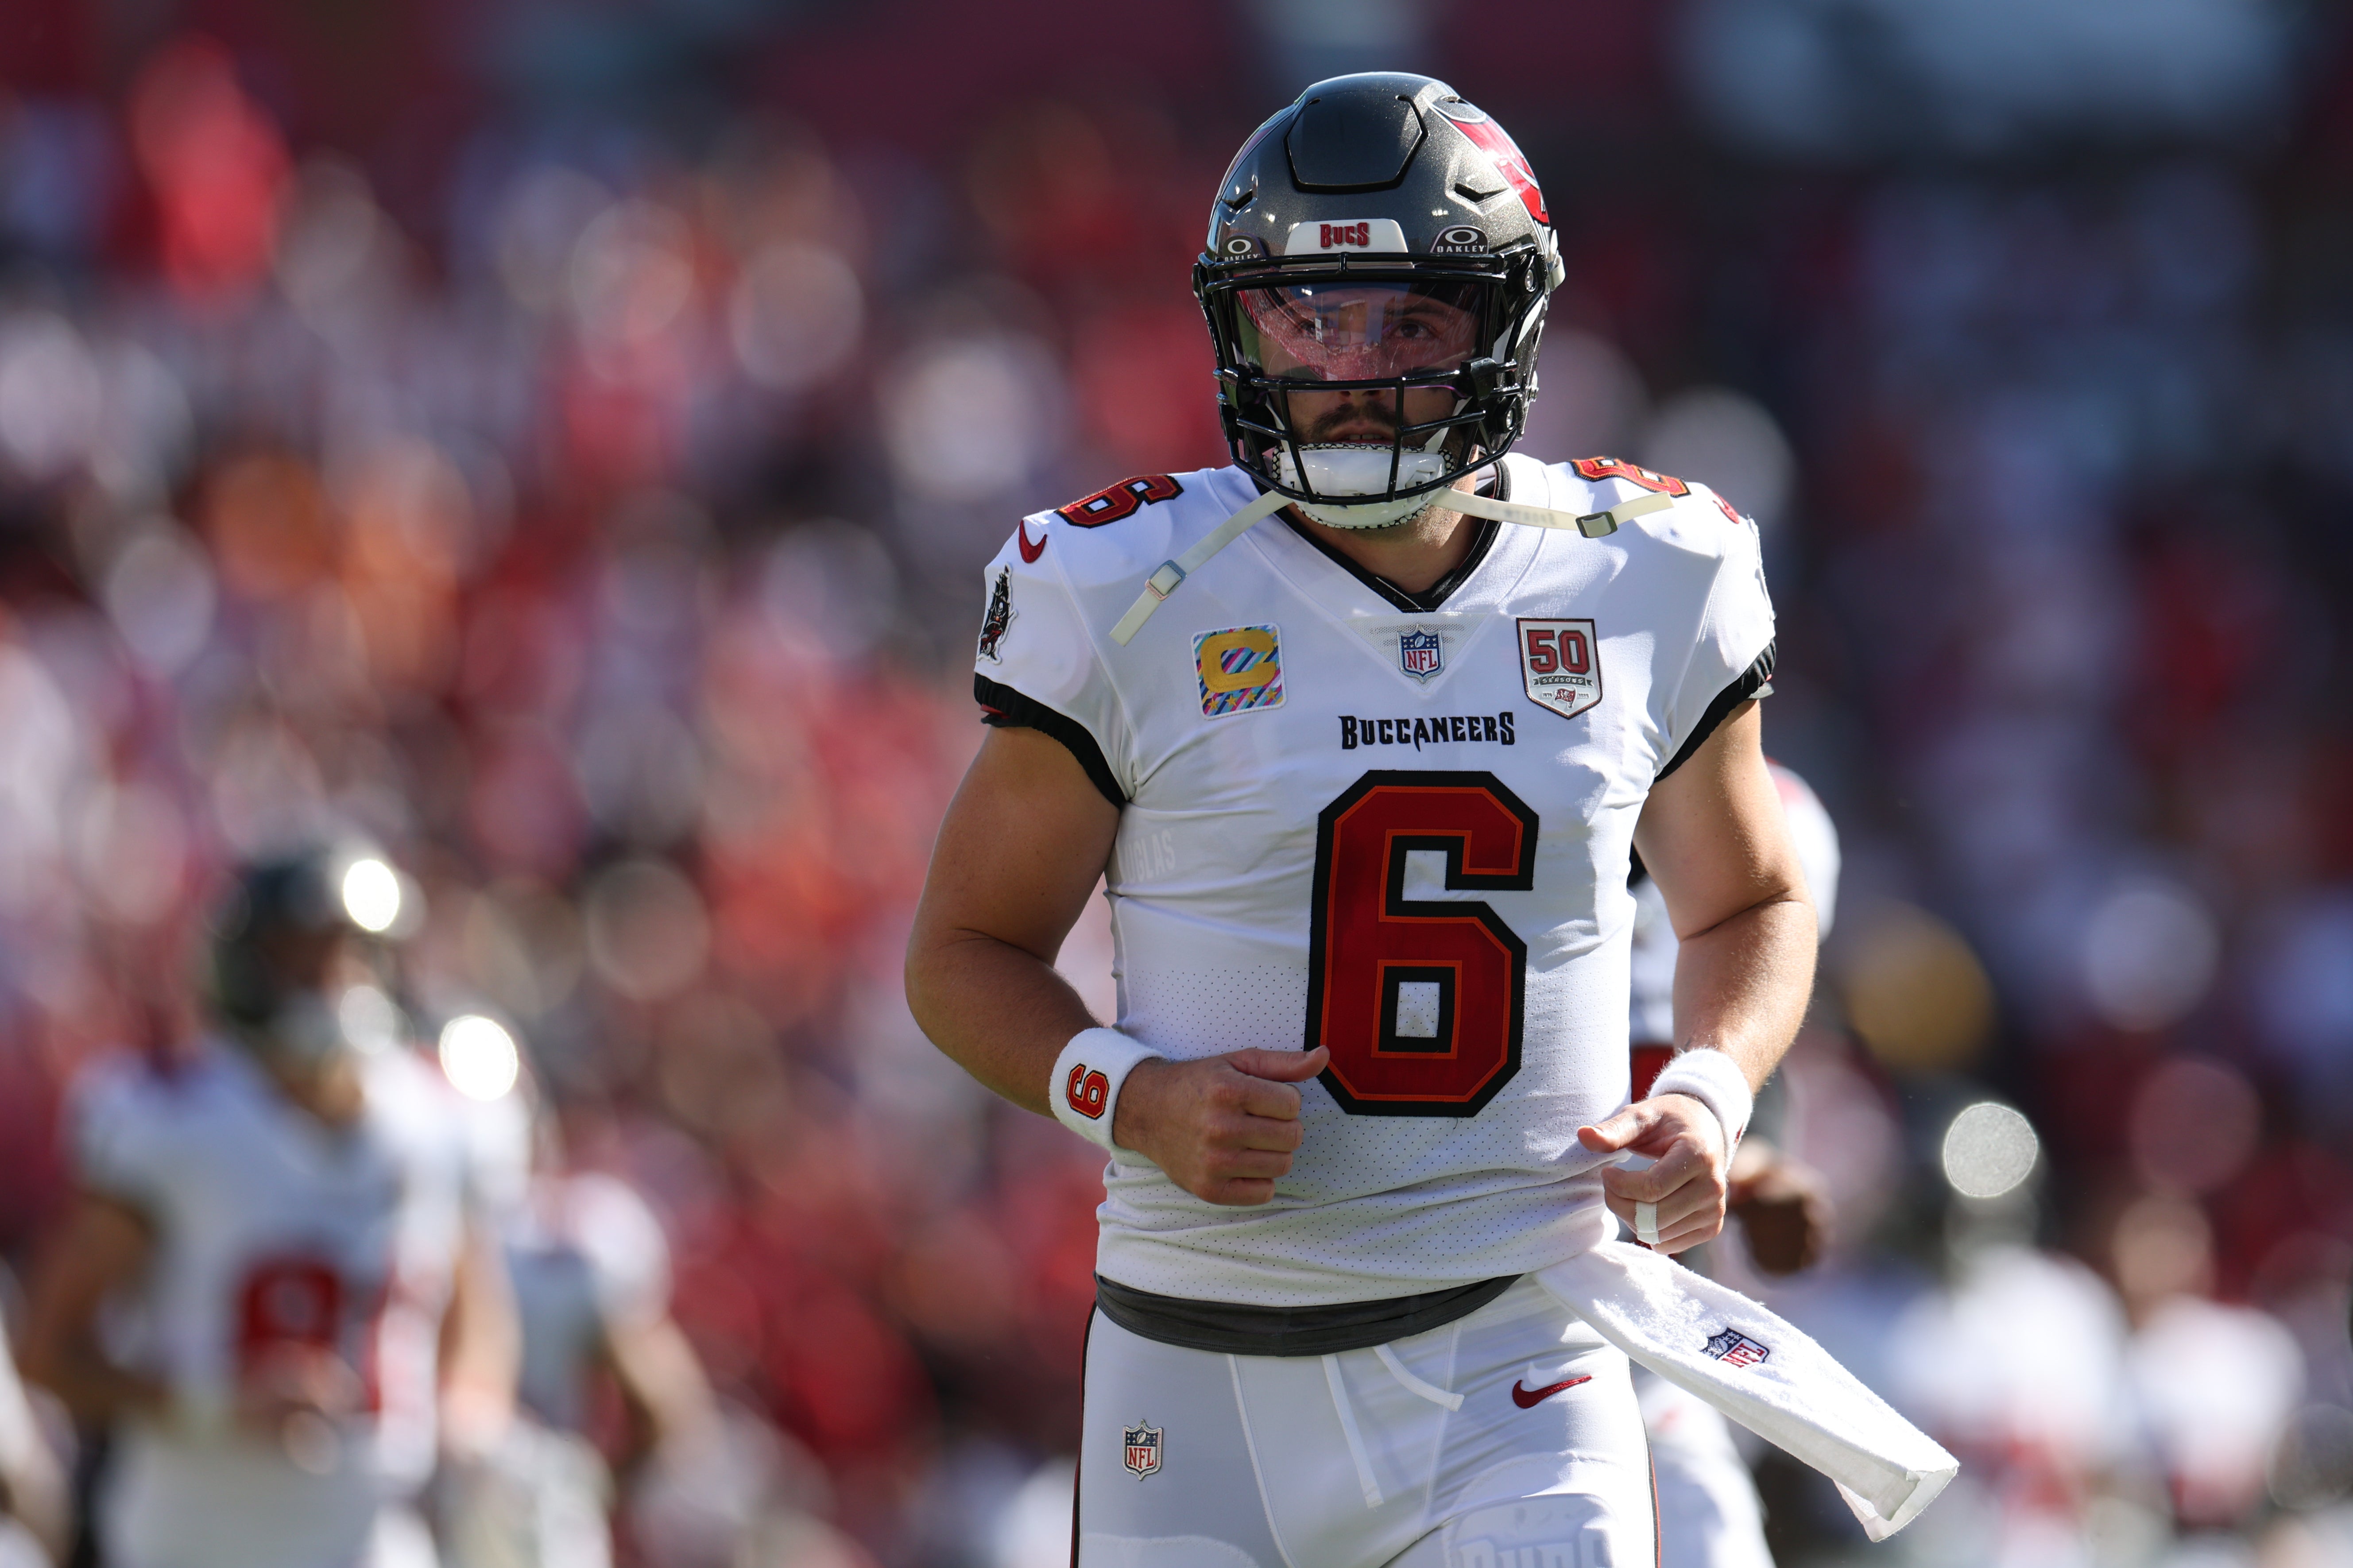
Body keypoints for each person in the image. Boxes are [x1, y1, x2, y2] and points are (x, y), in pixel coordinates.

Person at [907, 73, 1826, 1568]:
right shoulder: (1126, 589)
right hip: (1198, 1363)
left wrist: (1712, 1092)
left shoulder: (1648, 571)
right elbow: (960, 953)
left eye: (1411, 319)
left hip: (1520, 1353)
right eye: (1306, 315)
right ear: (1236, 323)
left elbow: (1751, 901)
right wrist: (1126, 1095)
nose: (1351, 366)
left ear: (1507, 325)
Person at [21, 846, 517, 1568]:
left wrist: (472, 1421)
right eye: (301, 960)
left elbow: (474, 1312)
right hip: (191, 1544)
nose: (330, 985)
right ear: (246, 970)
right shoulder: (178, 1125)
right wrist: (213, 1404)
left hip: (370, 1545)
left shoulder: (437, 1121)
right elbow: (49, 1351)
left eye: (348, 957)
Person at [1628, 761, 1839, 1568]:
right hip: (1466, 1297)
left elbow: (1750, 1076)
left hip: (1648, 1338)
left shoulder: (1783, 814)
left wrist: (1753, 1166)